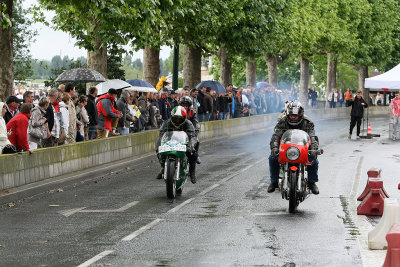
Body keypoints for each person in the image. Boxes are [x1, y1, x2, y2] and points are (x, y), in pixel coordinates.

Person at [267, 100, 320, 194]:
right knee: (272, 158)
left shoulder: (307, 122)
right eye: (291, 115)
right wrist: (274, 147)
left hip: (302, 149)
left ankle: (312, 183)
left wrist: (314, 149)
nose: (293, 117)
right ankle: (274, 182)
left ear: (300, 115)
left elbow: (312, 137)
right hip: (286, 149)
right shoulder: (282, 121)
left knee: (314, 161)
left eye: (295, 115)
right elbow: (276, 136)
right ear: (288, 114)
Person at [156, 106, 198, 183]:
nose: (177, 121)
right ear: (172, 117)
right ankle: (163, 167)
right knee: (158, 151)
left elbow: (193, 137)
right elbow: (161, 136)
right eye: (175, 118)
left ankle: (192, 172)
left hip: (183, 143)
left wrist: (191, 146)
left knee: (193, 152)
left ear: (184, 118)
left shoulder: (189, 124)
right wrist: (159, 146)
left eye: (180, 119)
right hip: (170, 143)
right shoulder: (166, 123)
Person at [179, 96, 201, 164]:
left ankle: (196, 155)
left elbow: (196, 123)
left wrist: (195, 131)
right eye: (183, 105)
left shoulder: (192, 113)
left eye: (186, 105)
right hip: (178, 132)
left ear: (189, 106)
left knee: (197, 141)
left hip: (189, 133)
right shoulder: (176, 111)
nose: (185, 107)